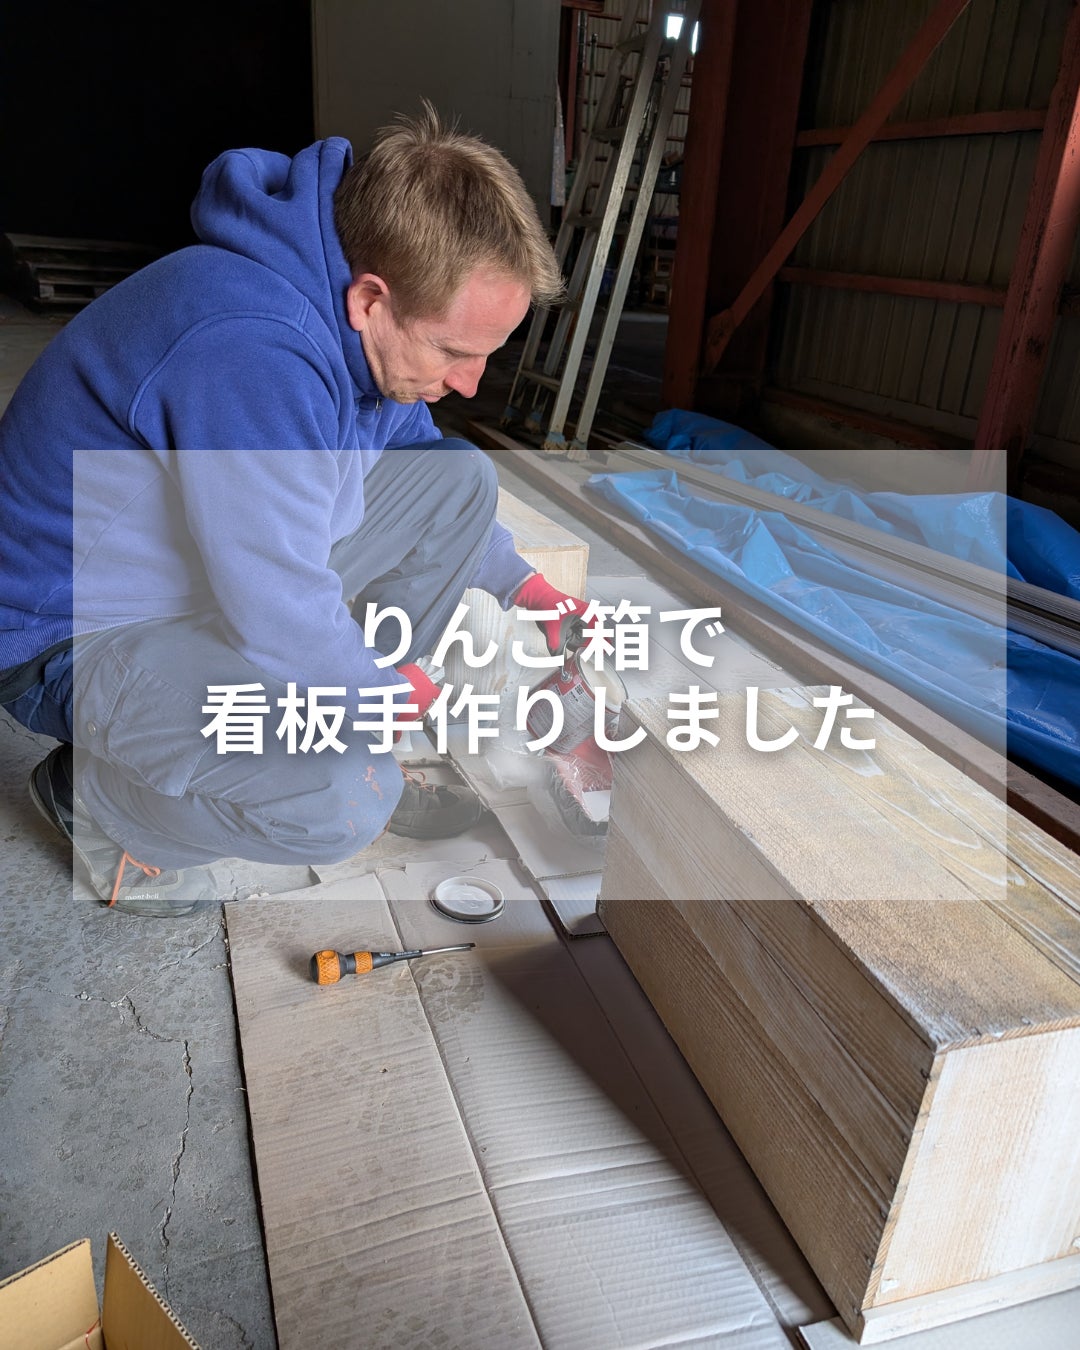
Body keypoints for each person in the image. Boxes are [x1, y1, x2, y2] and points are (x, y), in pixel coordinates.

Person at [0, 104, 585, 917]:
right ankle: (100, 803)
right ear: (370, 298)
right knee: (342, 796)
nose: (469, 383)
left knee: (458, 479)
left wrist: (523, 586)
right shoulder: (251, 346)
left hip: (186, 575)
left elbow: (416, 473)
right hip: (68, 633)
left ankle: (325, 724)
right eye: (454, 350)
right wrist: (370, 695)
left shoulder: (352, 321)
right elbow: (275, 596)